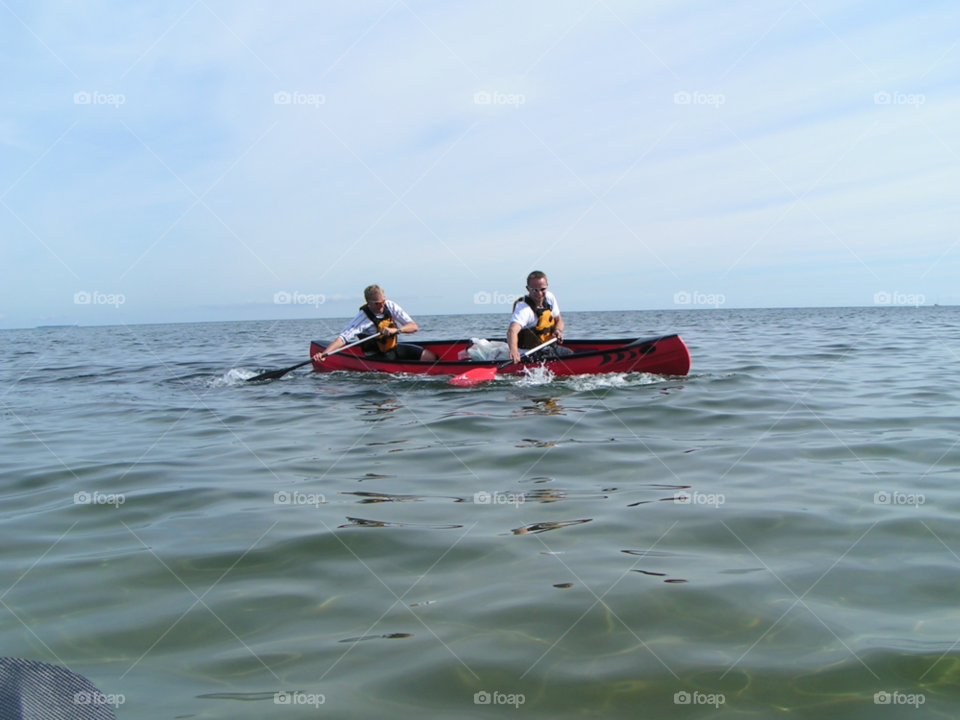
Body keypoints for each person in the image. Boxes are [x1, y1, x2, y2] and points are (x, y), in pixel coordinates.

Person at [313, 285, 438, 363]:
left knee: (430, 357)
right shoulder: (363, 317)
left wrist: (395, 330)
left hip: (393, 349)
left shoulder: (390, 306)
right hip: (377, 356)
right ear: (368, 302)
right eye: (377, 303)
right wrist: (324, 354)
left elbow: (413, 326)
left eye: (383, 301)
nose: (381, 305)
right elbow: (342, 338)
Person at [507, 271, 574, 364]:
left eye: (542, 289)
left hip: (548, 347)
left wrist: (558, 330)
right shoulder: (524, 309)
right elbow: (512, 331)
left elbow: (559, 320)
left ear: (547, 286)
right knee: (570, 356)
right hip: (530, 353)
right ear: (528, 289)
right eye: (535, 290)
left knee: (570, 354)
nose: (539, 293)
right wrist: (514, 350)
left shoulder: (550, 298)